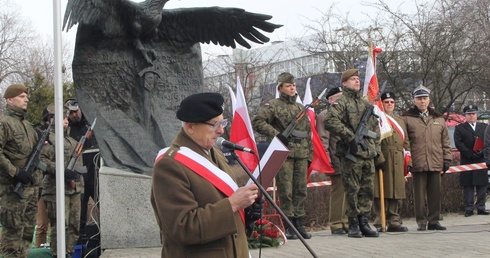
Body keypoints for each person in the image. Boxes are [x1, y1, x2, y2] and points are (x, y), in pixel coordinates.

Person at [151, 92, 260, 258]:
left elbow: (225, 211)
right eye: (214, 125)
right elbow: (184, 227)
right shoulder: (170, 165)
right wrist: (233, 204)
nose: (222, 130)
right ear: (190, 127)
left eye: (222, 122)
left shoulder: (216, 155)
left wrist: (248, 211)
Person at [252, 72, 313, 240]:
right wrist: (276, 134)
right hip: (284, 153)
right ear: (280, 88)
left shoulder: (301, 108)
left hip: (301, 153)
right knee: (286, 191)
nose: (292, 88)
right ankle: (289, 226)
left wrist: (310, 155)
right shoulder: (273, 105)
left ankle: (299, 224)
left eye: (293, 85)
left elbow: (308, 133)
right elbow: (258, 122)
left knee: (300, 190)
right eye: (288, 85)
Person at [323, 69, 382, 238]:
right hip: (352, 154)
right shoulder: (341, 102)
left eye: (357, 79)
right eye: (352, 79)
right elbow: (330, 121)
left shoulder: (365, 103)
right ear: (344, 83)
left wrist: (375, 149)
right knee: (352, 189)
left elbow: (374, 127)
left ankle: (364, 221)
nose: (357, 81)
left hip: (367, 153)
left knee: (367, 190)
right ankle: (353, 223)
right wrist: (350, 138)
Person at [402, 85, 451, 231]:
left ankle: (434, 221)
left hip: (435, 160)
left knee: (435, 193)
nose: (422, 101)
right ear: (414, 101)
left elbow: (445, 141)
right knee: (419, 195)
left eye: (424, 98)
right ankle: (421, 221)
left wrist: (447, 159)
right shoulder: (407, 118)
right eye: (419, 99)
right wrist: (408, 161)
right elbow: (405, 142)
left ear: (429, 100)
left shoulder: (438, 118)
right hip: (417, 161)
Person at [0, 84, 41, 257]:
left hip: (29, 189)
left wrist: (36, 182)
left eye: (27, 96)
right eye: (22, 96)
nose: (27, 99)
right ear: (10, 99)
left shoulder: (28, 125)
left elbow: (36, 157)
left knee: (26, 234)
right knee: (12, 236)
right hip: (11, 190)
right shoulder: (4, 123)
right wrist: (15, 172)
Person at [39, 104, 85, 257]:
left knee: (74, 226)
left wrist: (77, 178)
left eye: (66, 118)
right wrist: (60, 170)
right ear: (52, 120)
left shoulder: (71, 141)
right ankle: (58, 254)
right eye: (63, 118)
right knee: (60, 227)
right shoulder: (47, 139)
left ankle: (69, 253)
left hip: (73, 190)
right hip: (55, 189)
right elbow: (41, 160)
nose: (66, 121)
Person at [372, 92, 410, 232]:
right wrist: (378, 157)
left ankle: (394, 220)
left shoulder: (400, 120)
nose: (389, 104)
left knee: (396, 190)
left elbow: (406, 142)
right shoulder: (377, 118)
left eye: (392, 102)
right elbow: (373, 140)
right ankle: (379, 220)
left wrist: (408, 159)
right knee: (380, 189)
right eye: (386, 102)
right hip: (383, 155)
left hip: (398, 157)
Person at [316, 86, 349, 235]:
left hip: (349, 157)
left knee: (350, 191)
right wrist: (327, 160)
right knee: (339, 191)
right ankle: (336, 223)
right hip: (335, 158)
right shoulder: (325, 115)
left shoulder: (347, 113)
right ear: (331, 99)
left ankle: (347, 221)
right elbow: (323, 139)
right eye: (339, 96)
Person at [65, 98, 99, 235]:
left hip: (94, 176)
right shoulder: (68, 130)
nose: (74, 115)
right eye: (70, 113)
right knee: (79, 217)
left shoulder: (91, 125)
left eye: (76, 111)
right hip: (78, 178)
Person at [454, 104, 489, 217]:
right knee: (468, 185)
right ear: (465, 116)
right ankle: (469, 208)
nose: (471, 116)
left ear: (476, 115)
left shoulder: (484, 127)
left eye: (473, 114)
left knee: (482, 184)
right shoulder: (460, 128)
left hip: (481, 159)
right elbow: (458, 143)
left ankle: (481, 207)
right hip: (467, 160)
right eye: (469, 114)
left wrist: (482, 152)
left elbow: (488, 142)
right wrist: (469, 153)